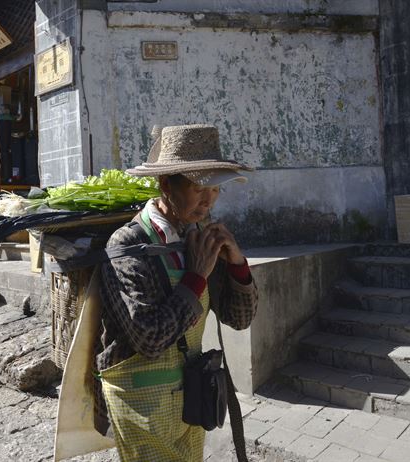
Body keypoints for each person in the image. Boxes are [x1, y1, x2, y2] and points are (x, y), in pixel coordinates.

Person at [97, 124, 258, 462]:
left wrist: (237, 265)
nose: (208, 199)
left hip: (191, 398)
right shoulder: (127, 245)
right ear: (166, 184)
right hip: (140, 402)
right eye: (199, 186)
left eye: (215, 189)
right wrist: (197, 275)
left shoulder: (197, 241)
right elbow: (149, 338)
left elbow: (239, 318)